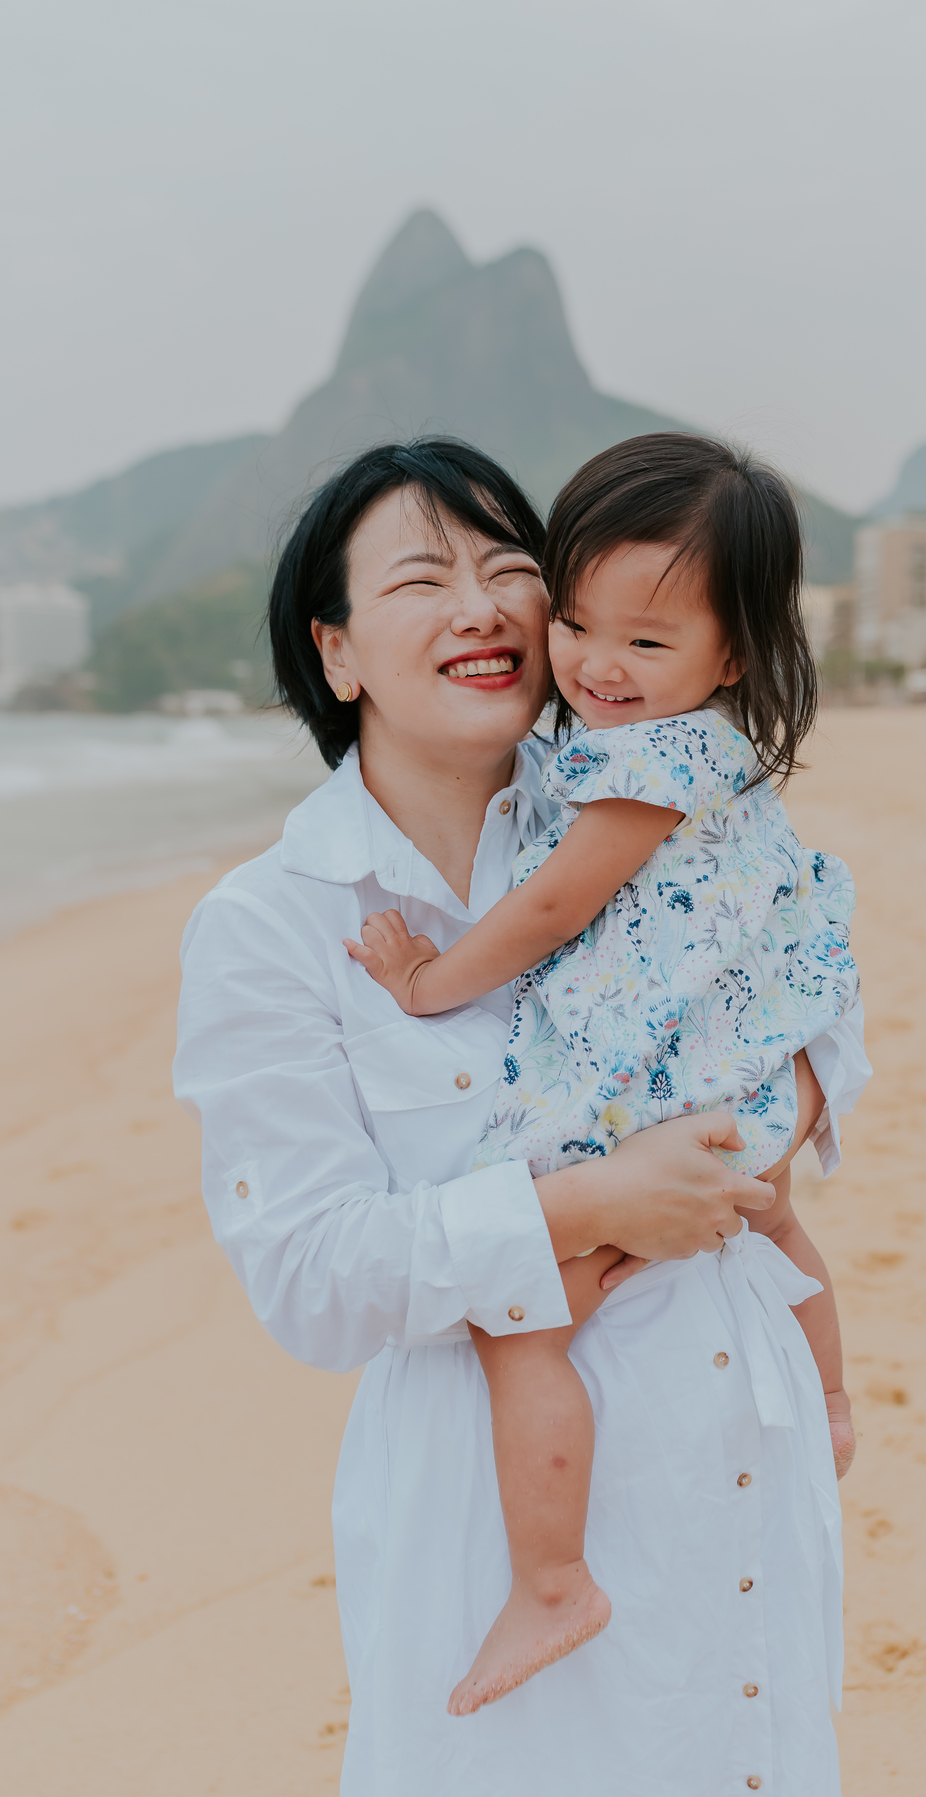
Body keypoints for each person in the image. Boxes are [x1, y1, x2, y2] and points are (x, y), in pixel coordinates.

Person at [173, 437, 871, 1797]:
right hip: (505, 1522)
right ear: (339, 653)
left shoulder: (640, 805)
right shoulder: (277, 925)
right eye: (424, 578)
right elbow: (312, 1281)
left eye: (510, 568)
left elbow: (818, 1032)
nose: (485, 604)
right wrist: (590, 1207)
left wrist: (757, 1134)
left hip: (736, 1464)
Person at [343, 434, 860, 1717]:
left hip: (677, 1093)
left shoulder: (651, 764)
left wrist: (428, 982)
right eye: (577, 621)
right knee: (776, 1221)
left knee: (525, 1320)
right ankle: (837, 1397)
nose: (595, 664)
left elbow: (552, 908)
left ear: (731, 656)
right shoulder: (708, 754)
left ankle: (554, 1576)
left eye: (645, 641)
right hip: (729, 1080)